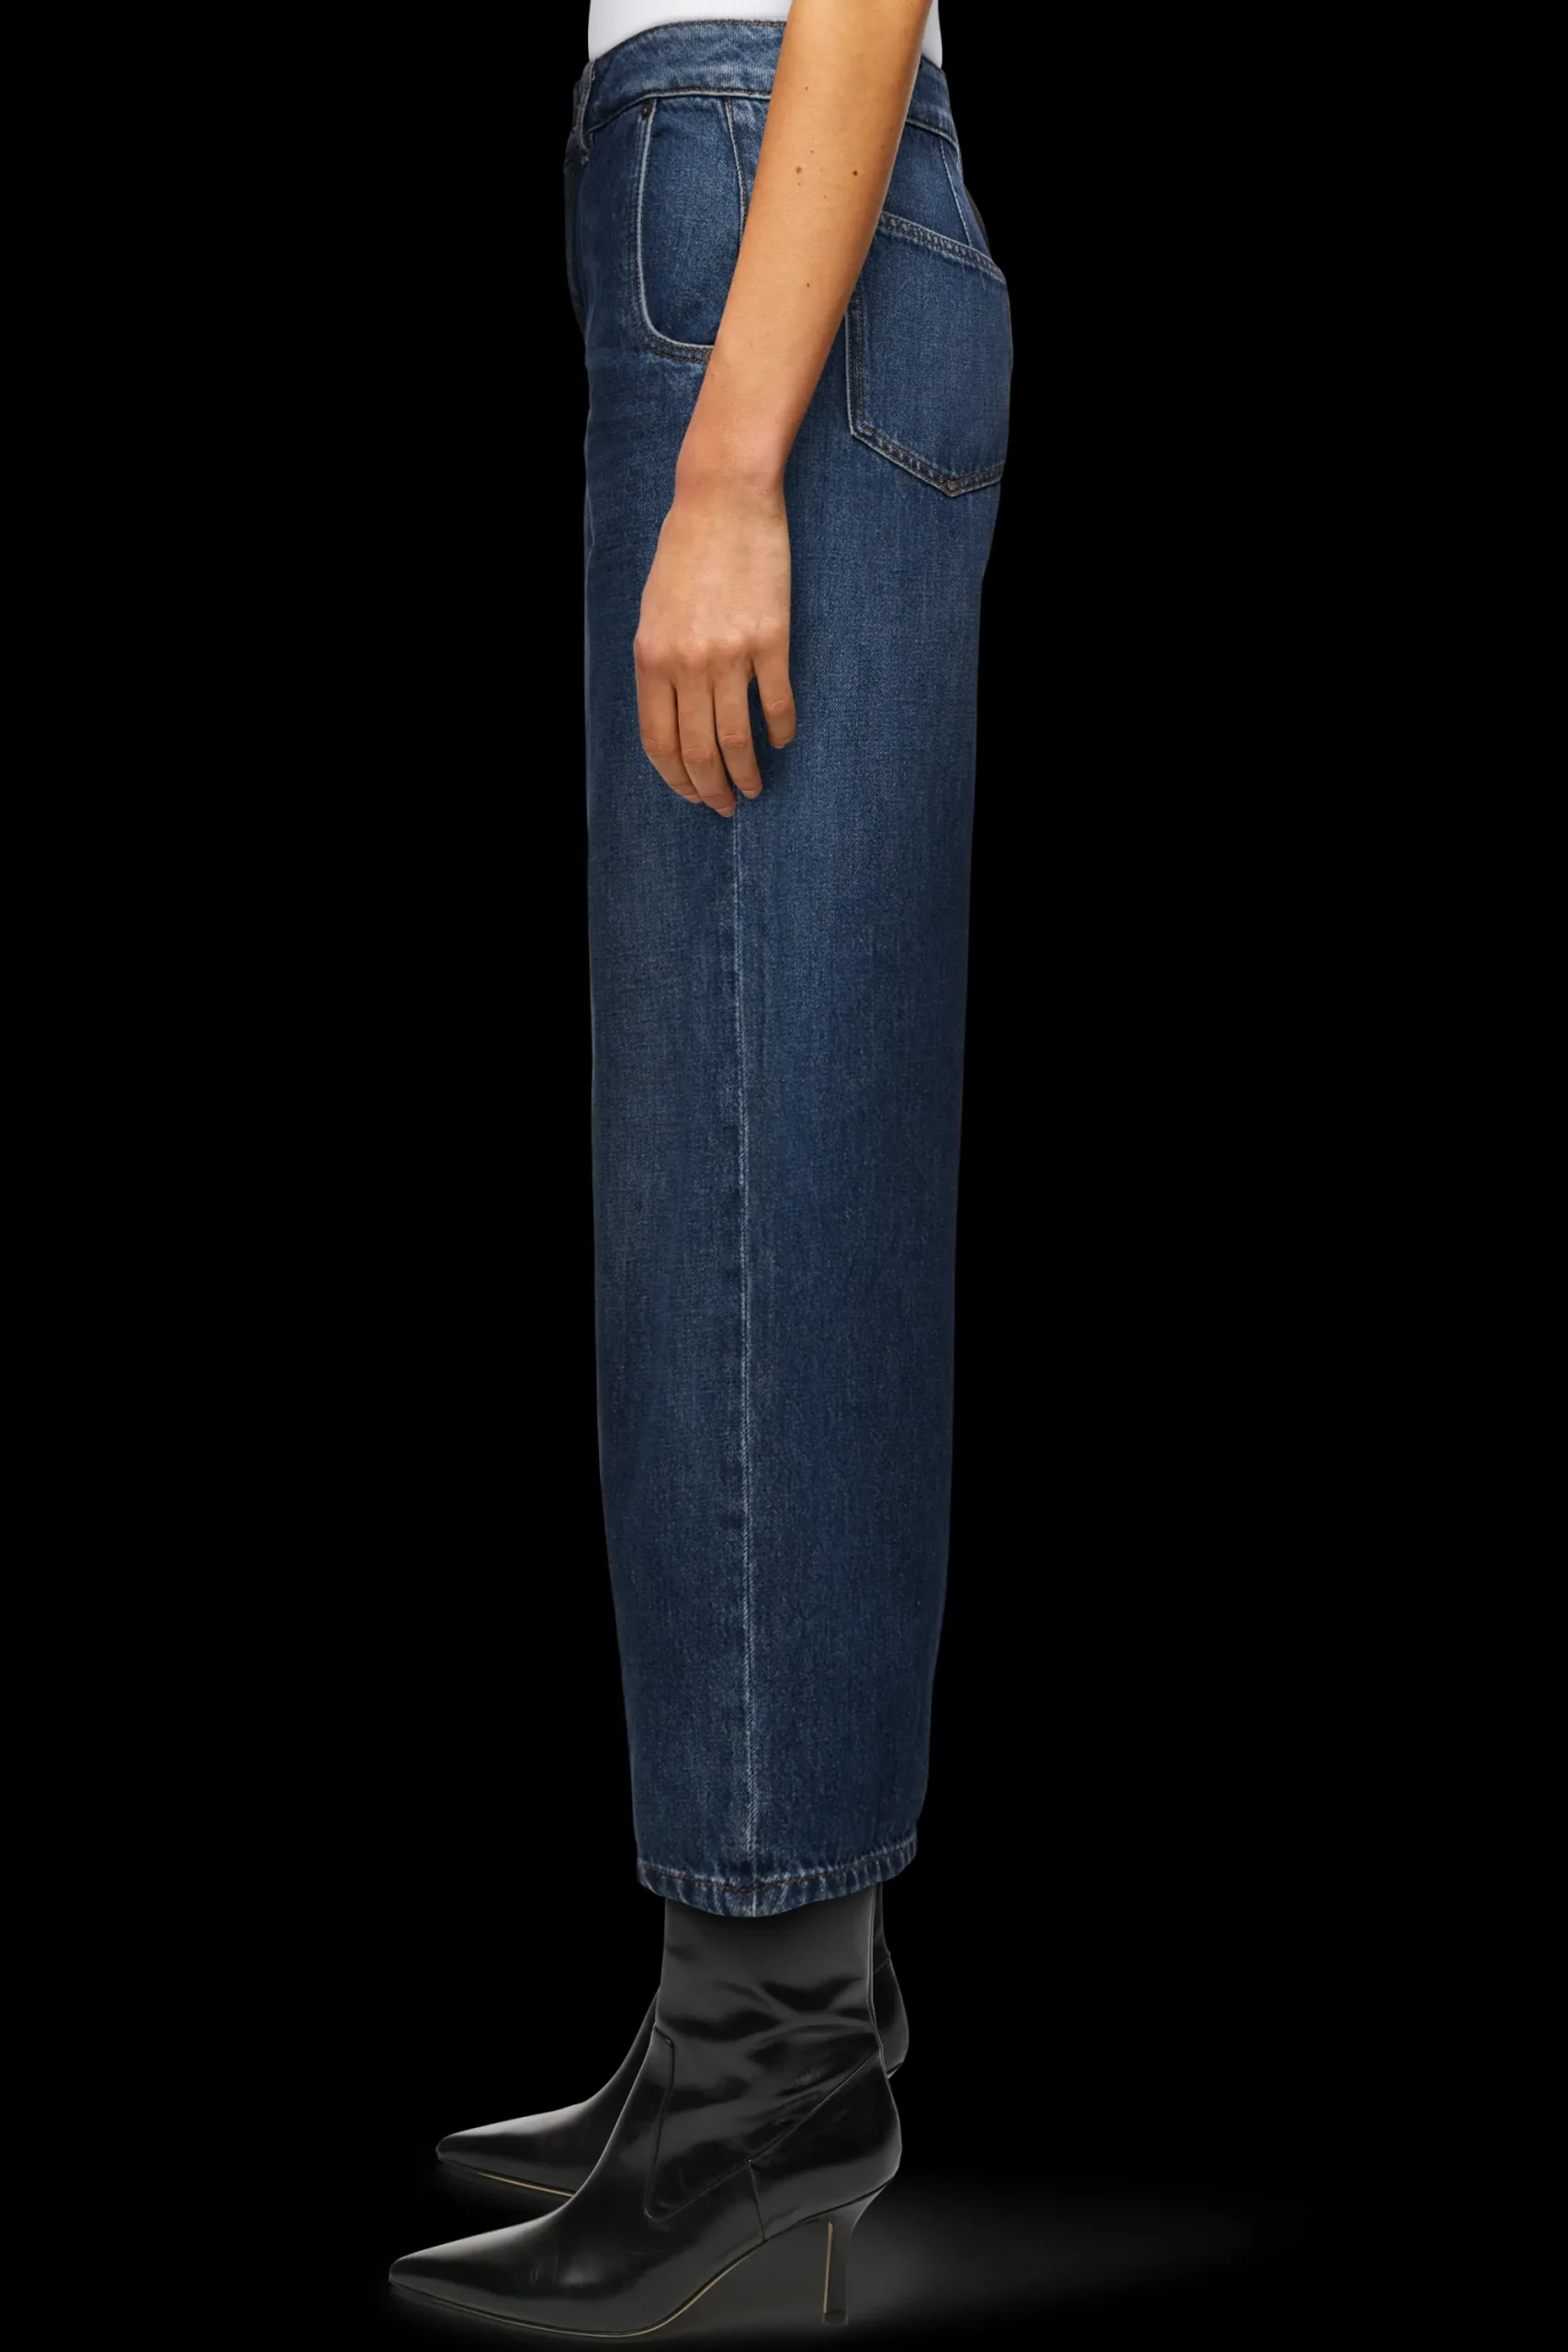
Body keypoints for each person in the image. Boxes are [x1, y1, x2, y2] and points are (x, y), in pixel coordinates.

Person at [390, 2, 1009, 2329]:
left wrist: (735, 453)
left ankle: (768, 2050)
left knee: (754, 1176)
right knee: (748, 1153)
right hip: (744, 220)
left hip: (769, 226)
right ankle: (762, 2010)